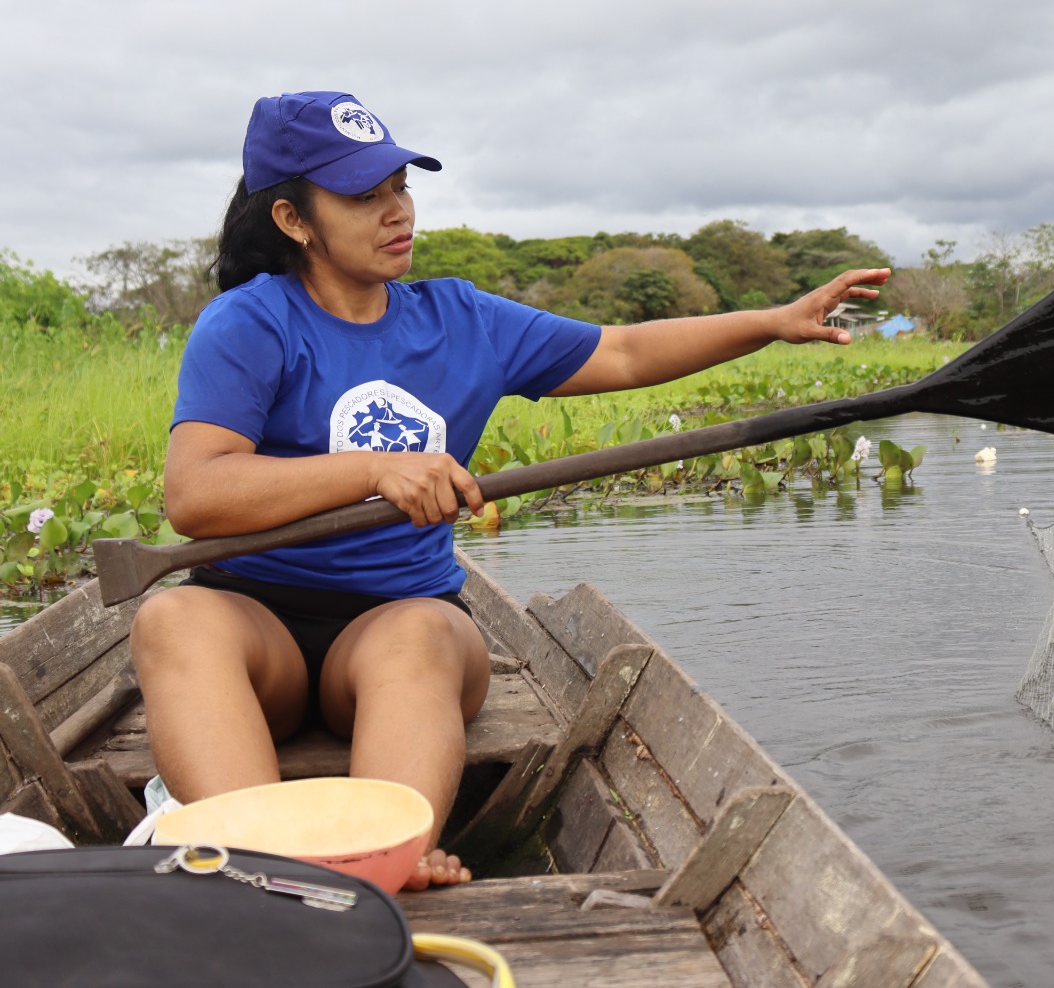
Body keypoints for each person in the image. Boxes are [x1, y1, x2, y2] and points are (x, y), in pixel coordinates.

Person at [129, 91, 888, 889]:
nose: (397, 213)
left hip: (399, 619)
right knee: (172, 616)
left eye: (400, 187)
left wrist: (770, 321)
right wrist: (372, 468)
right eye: (363, 196)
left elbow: (623, 354)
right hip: (260, 626)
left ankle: (389, 853)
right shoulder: (249, 323)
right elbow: (198, 494)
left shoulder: (462, 319)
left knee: (415, 638)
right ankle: (264, 862)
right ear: (293, 220)